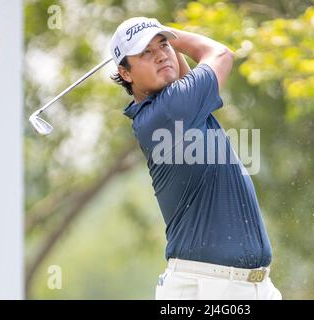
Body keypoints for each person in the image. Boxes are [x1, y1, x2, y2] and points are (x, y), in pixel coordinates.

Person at [109, 17, 282, 300]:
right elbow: (221, 53)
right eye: (146, 53)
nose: (161, 55)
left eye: (163, 45)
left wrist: (158, 37)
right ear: (125, 73)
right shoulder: (172, 109)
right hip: (212, 286)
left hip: (238, 285)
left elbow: (180, 74)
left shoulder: (165, 108)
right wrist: (172, 33)